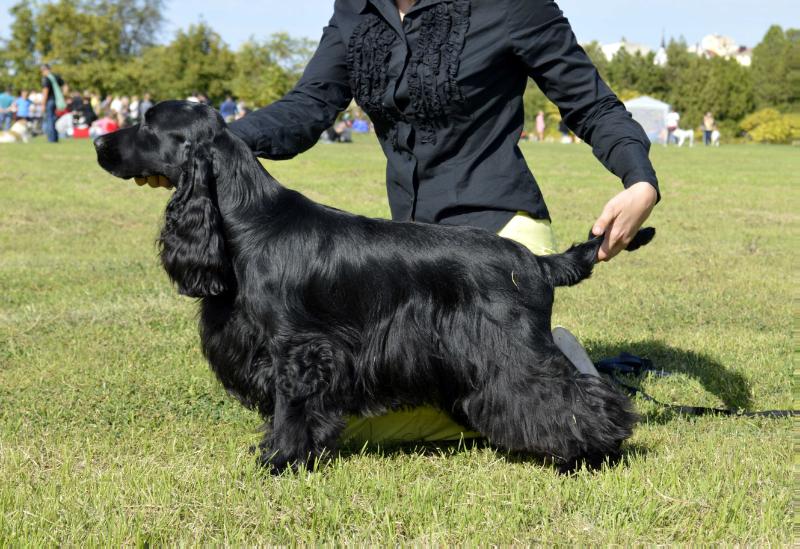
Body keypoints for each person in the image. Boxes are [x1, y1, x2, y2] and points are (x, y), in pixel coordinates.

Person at [135, 0, 659, 445]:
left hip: (497, 243)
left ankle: (559, 378)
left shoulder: (511, 4)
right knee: (338, 417)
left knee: (477, 410)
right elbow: (308, 106)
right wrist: (206, 151)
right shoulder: (356, 9)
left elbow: (591, 103)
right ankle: (529, 364)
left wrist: (640, 181)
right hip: (409, 252)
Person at [40, 64, 66, 143]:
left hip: (50, 101)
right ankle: (55, 138)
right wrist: (62, 96)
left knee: (49, 119)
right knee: (53, 119)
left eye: (42, 71)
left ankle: (51, 139)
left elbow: (45, 92)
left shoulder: (46, 78)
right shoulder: (56, 77)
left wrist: (43, 104)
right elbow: (65, 87)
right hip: (57, 101)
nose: (42, 73)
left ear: (45, 70)